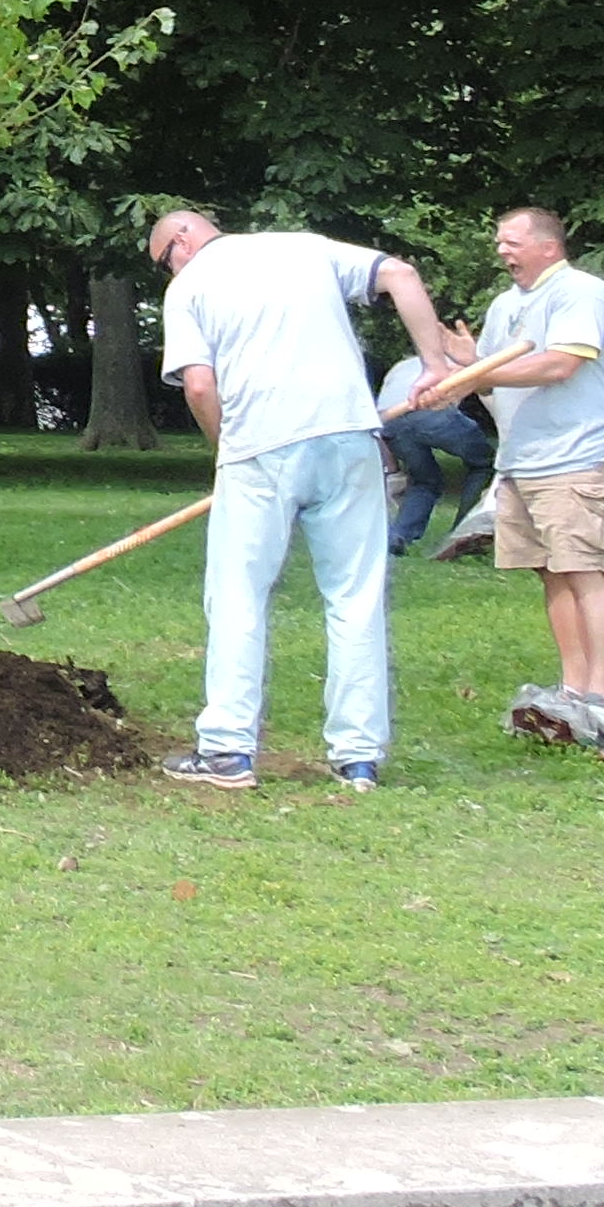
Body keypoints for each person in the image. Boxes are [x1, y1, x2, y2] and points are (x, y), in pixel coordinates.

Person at [149, 208, 456, 793]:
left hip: (258, 447)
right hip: (349, 437)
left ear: (182, 239)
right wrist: (435, 366)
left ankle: (226, 751)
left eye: (165, 259)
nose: (169, 272)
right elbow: (402, 275)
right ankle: (358, 758)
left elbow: (199, 385)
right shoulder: (305, 247)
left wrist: (225, 452)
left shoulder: (191, 286)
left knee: (238, 594)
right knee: (355, 595)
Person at [405, 206, 604, 711]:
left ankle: (602, 695)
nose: (502, 250)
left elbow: (560, 363)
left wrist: (473, 375)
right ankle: (572, 688)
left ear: (548, 247)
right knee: (550, 572)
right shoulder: (507, 304)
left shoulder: (579, 293)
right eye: (499, 242)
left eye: (512, 242)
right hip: (523, 461)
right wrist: (464, 369)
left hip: (578, 457)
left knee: (585, 571)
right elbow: (492, 381)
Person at [376, 336, 494, 556]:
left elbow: (382, 409)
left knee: (424, 481)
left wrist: (390, 467)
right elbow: (489, 397)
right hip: (432, 414)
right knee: (484, 464)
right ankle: (463, 535)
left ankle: (398, 536)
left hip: (391, 421)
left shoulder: (400, 367)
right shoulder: (456, 364)